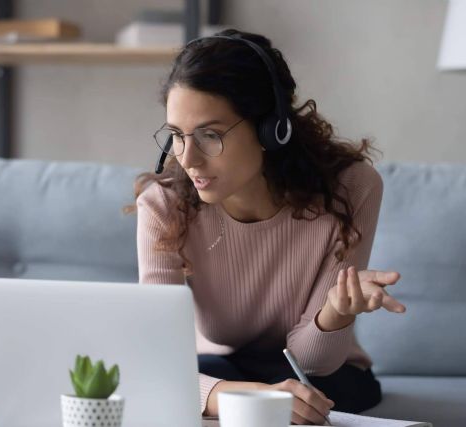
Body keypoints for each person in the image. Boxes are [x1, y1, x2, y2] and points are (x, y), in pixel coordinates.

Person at [129, 28, 406, 425]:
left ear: (271, 129)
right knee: (200, 391)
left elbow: (316, 362)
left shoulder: (352, 189)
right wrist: (240, 397)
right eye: (176, 135)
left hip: (325, 374)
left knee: (315, 396)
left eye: (209, 134)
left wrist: (336, 313)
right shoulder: (163, 206)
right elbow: (154, 364)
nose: (188, 159)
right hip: (221, 369)